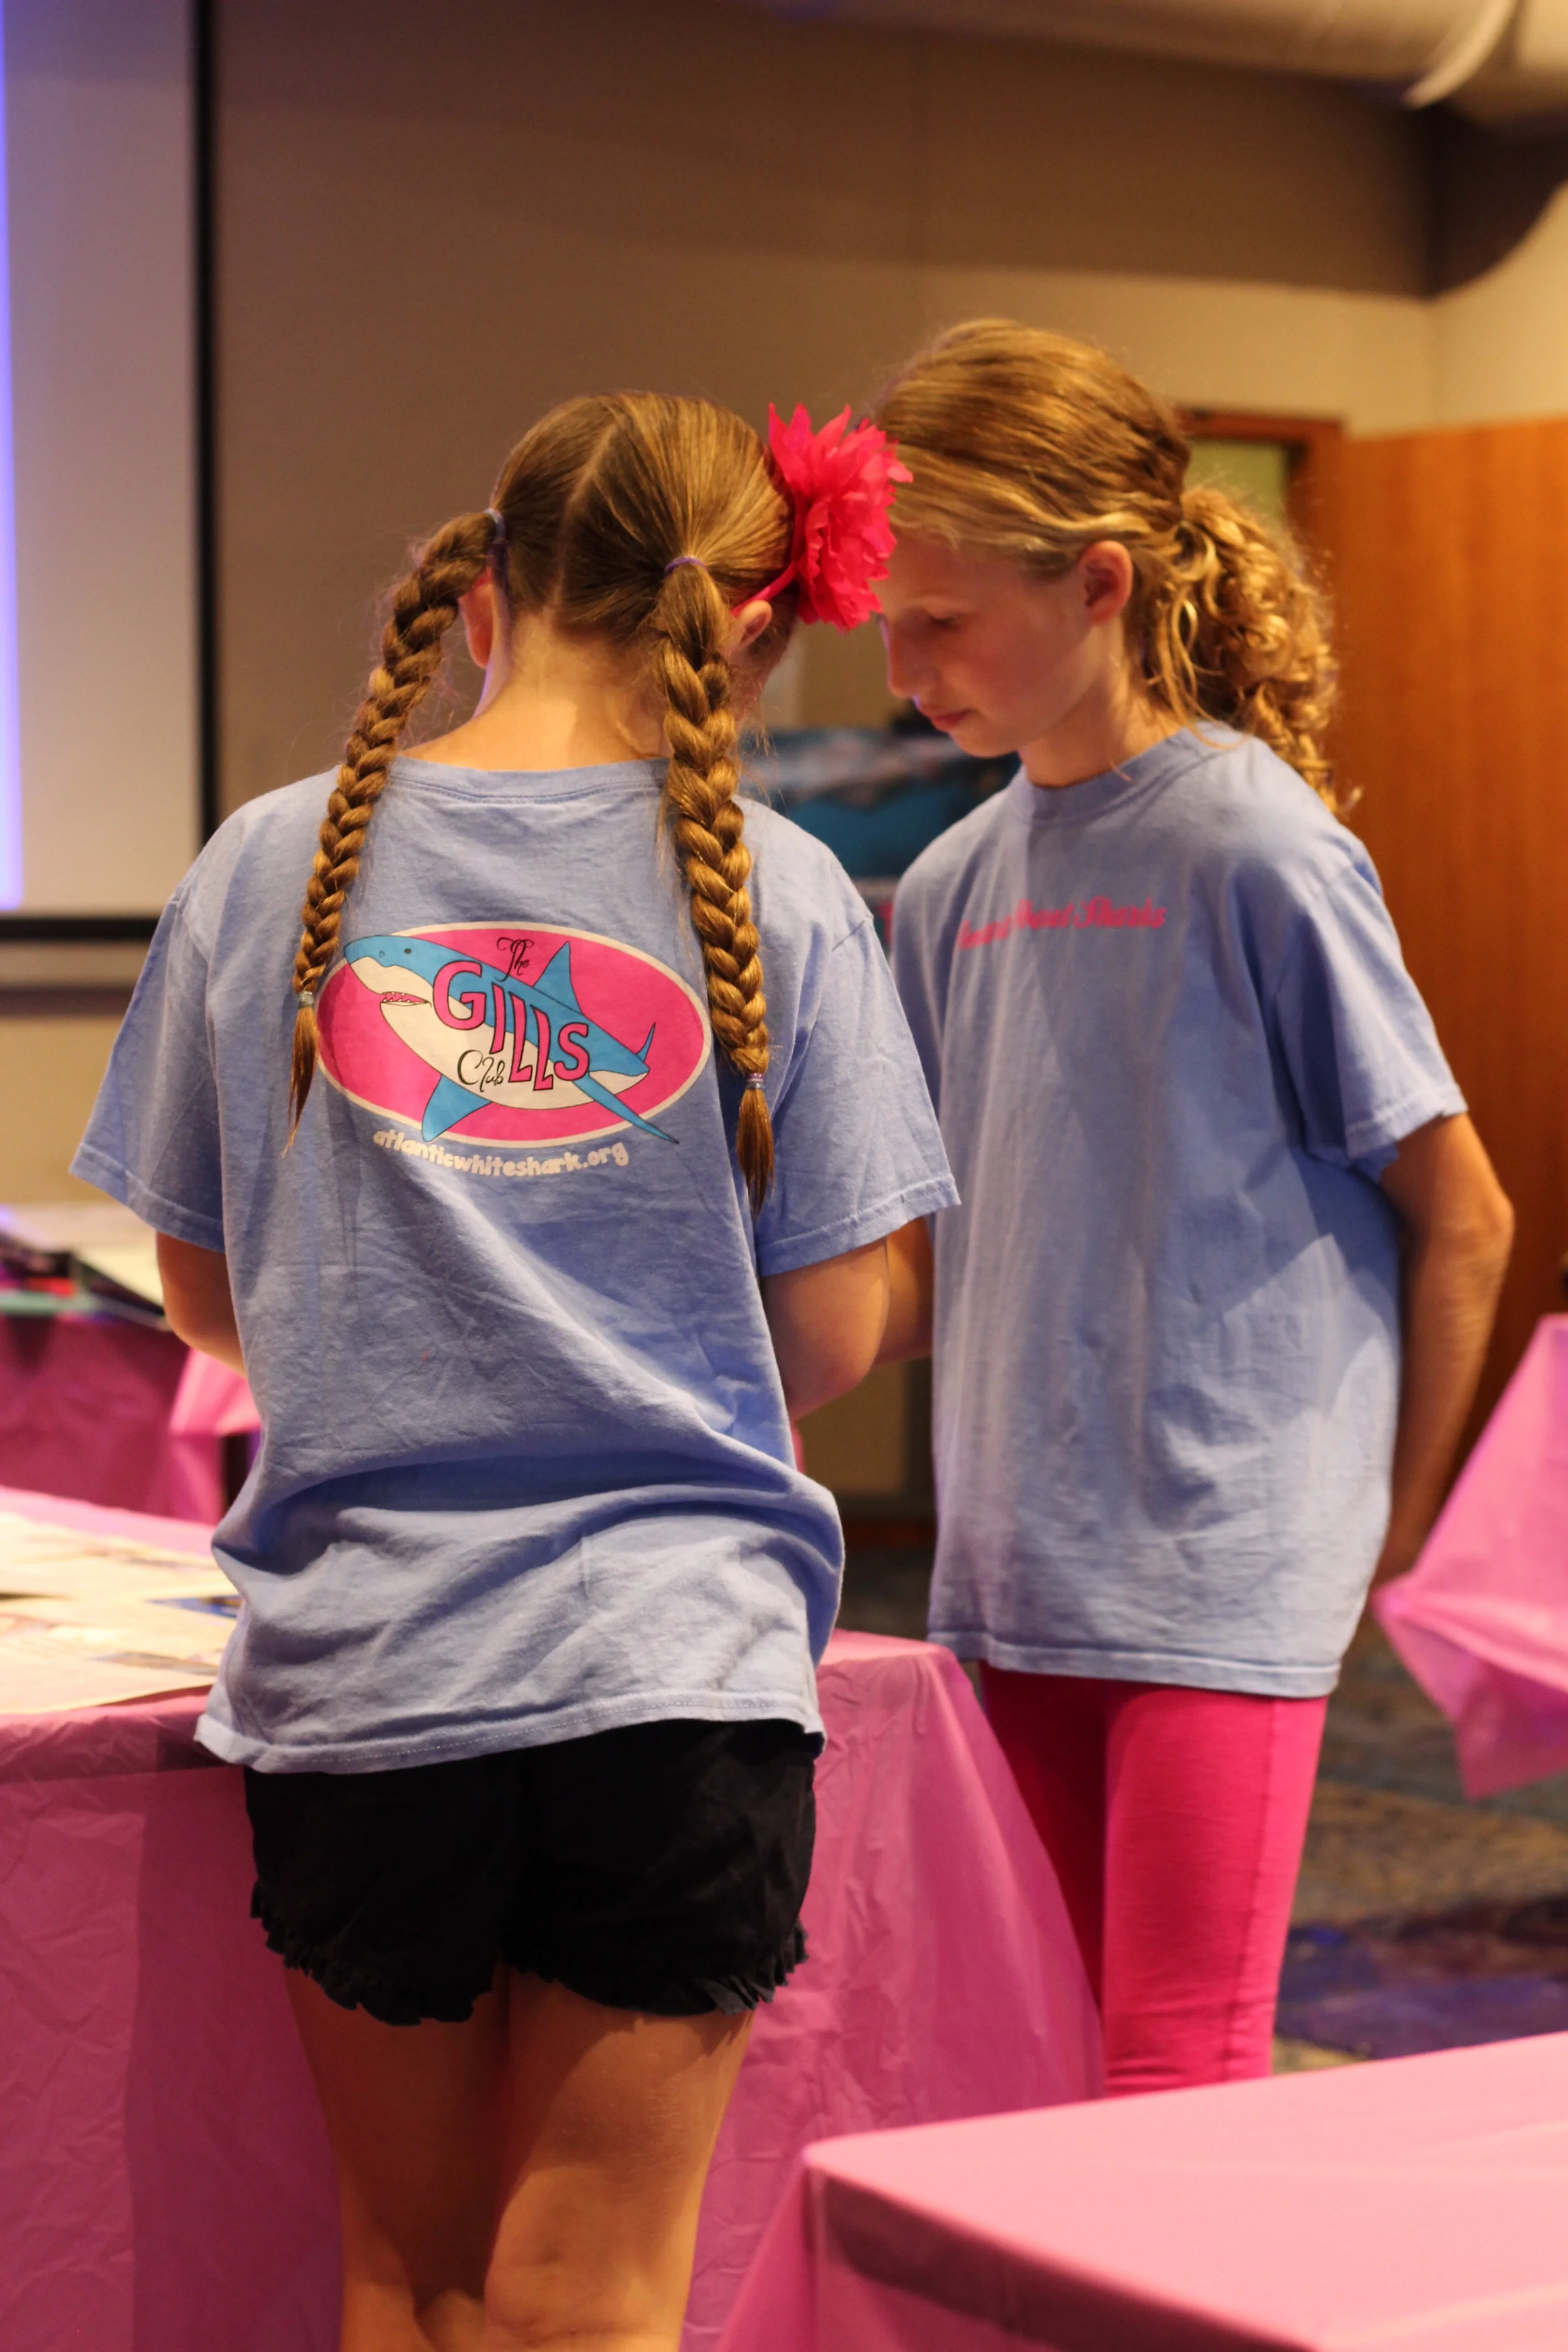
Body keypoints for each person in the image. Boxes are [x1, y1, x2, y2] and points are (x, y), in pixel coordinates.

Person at [74, 390, 954, 2351]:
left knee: (411, 2275)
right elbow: (822, 1335)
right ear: (745, 625)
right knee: (596, 2299)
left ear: (480, 594)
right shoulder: (792, 891)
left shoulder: (263, 864)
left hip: (368, 1668)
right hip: (673, 1674)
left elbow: (206, 1296)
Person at [872, 320, 1514, 2095]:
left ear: (1097, 582)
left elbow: (1457, 1212)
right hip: (1006, 1570)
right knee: (1022, 2057)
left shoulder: (1253, 843)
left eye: (942, 621)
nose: (904, 665)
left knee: (1173, 2068)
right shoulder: (942, 886)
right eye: (888, 624)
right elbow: (935, 1253)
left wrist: (1379, 1531)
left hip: (1220, 1568)